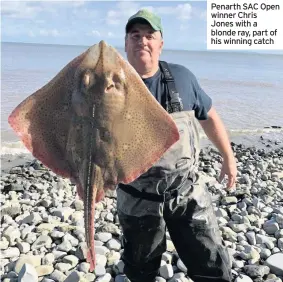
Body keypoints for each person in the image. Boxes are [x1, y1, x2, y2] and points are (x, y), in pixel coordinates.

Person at [116, 8, 237, 282]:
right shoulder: (110, 86)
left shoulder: (182, 77)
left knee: (211, 265)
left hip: (187, 192)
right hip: (137, 197)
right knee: (140, 268)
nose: (142, 41)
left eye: (149, 35)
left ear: (161, 43)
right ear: (125, 44)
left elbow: (209, 116)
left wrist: (227, 156)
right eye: (135, 35)